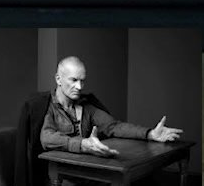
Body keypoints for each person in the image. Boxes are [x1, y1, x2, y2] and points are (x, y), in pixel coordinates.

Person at [41, 56, 184, 165]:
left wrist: (150, 134)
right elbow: (47, 138)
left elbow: (114, 126)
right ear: (58, 79)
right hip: (59, 171)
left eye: (82, 81)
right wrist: (83, 144)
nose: (79, 87)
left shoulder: (86, 107)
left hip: (88, 167)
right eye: (73, 80)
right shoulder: (45, 105)